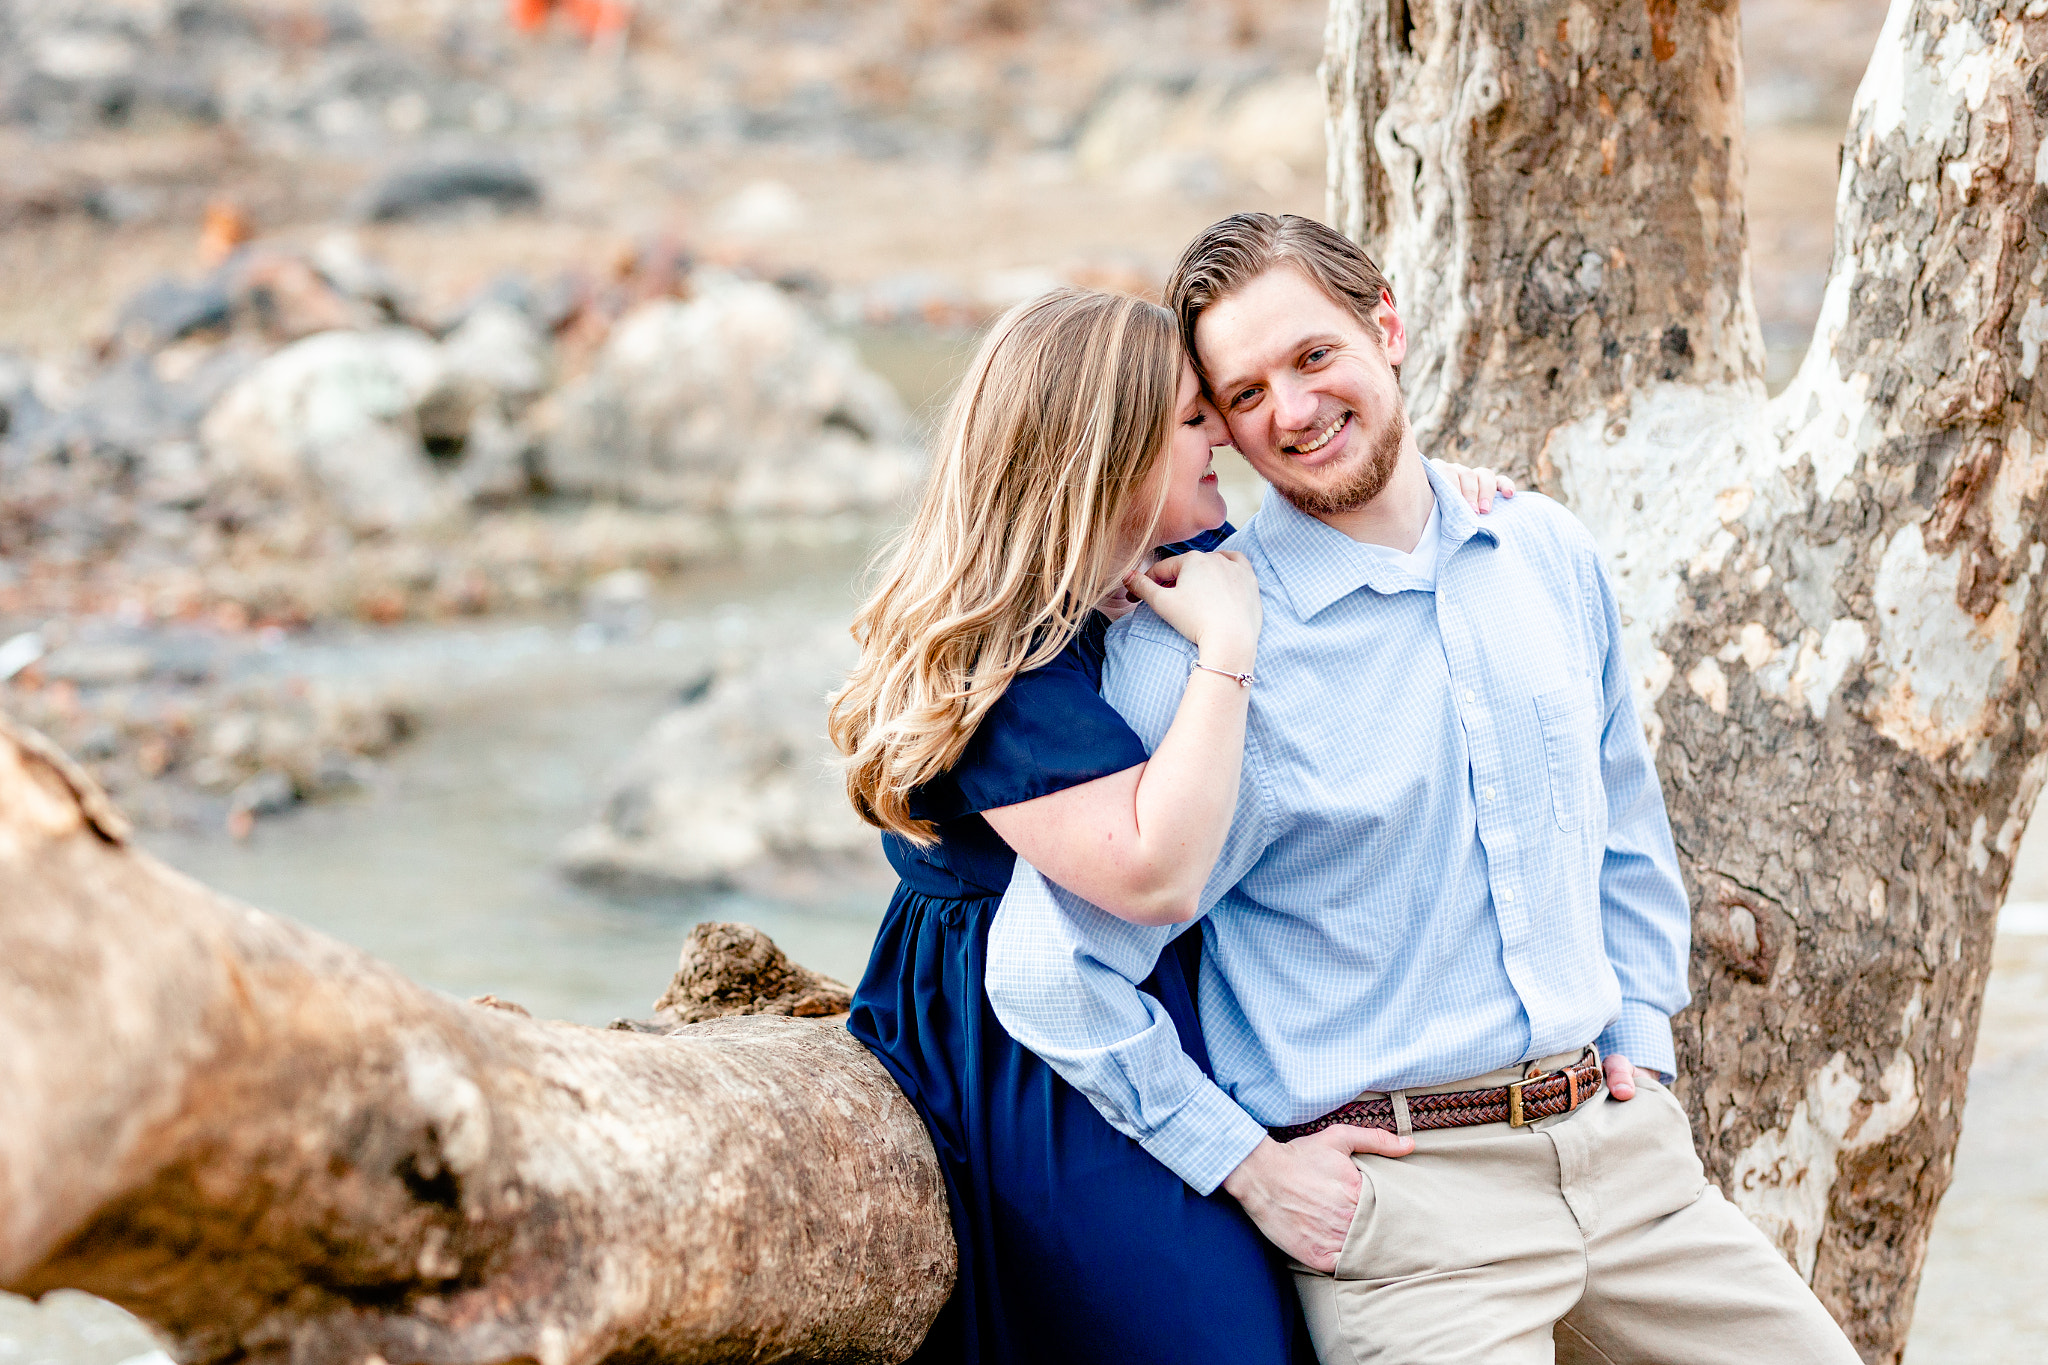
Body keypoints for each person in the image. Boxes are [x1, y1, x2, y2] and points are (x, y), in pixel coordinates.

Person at [986, 215, 1865, 1365]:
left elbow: (1622, 834)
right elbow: (1049, 973)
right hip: (1409, 1216)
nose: (1291, 412)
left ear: (1385, 326)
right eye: (1244, 395)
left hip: (1627, 1166)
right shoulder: (1198, 648)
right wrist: (1245, 1168)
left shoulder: (1544, 552)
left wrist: (1640, 1041)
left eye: (1312, 358)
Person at [828, 287, 1509, 1365]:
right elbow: (1151, 877)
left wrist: (1440, 504)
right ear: (1101, 458)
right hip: (1034, 1041)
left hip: (1178, 999)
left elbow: (1334, 530)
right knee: (1215, 1339)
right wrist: (1226, 651)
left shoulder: (1153, 569)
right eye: (1194, 420)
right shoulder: (1005, 668)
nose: (1227, 442)